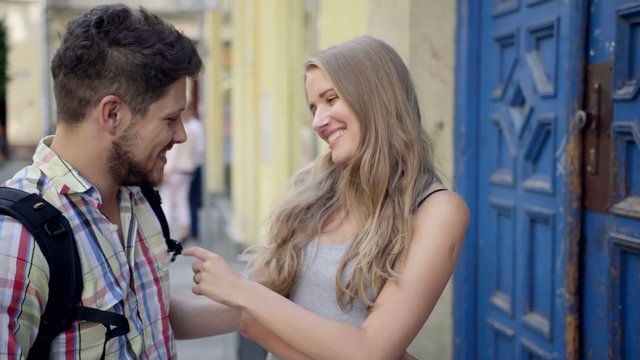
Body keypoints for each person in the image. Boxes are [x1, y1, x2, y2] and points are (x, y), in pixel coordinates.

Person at [184, 36, 470, 359]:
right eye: (313, 107)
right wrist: (145, 302)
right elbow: (258, 305)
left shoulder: (437, 211)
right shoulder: (312, 187)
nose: (318, 122)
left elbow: (369, 350)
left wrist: (244, 294)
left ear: (375, 97)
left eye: (330, 100)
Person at [0, 4, 238, 358]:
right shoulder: (17, 239)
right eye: (170, 118)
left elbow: (149, 311)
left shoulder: (137, 196)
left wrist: (263, 305)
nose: (182, 135)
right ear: (112, 113)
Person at [160, 103, 205, 241]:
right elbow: (199, 150)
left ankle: (164, 230)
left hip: (174, 170)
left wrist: (166, 171)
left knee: (167, 200)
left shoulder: (179, 133)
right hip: (188, 169)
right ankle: (184, 228)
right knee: (182, 200)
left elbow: (173, 154)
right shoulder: (193, 130)